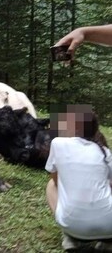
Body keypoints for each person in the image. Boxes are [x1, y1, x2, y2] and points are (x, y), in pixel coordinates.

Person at [45, 104, 112, 251]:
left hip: (74, 227)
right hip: (109, 227)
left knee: (51, 185)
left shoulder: (58, 143)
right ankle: (107, 242)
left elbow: (56, 180)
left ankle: (70, 237)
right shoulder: (105, 152)